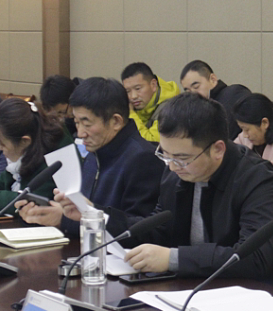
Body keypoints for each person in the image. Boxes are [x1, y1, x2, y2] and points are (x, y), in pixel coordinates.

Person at [108, 92, 273, 282]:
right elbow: (161, 231)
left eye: (182, 158)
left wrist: (173, 259)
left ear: (218, 149)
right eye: (165, 154)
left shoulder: (258, 179)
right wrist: (102, 219)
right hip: (196, 285)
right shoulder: (177, 172)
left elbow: (255, 259)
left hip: (266, 292)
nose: (172, 167)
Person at [17, 77, 164, 236]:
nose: (81, 133)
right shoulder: (96, 151)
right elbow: (86, 210)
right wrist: (59, 212)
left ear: (115, 121)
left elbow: (138, 231)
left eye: (87, 124)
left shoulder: (143, 159)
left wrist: (65, 221)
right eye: (76, 122)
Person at [179, 59, 250, 141]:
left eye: (196, 87)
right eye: (188, 91)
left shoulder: (234, 94)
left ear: (212, 79)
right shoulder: (197, 110)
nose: (193, 94)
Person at [121, 61, 180, 143]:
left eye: (138, 88)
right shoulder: (133, 105)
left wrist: (131, 114)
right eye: (128, 91)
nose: (133, 96)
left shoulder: (171, 108)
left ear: (153, 85)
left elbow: (151, 143)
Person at [39, 74, 80, 141]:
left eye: (63, 112)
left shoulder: (91, 105)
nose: (62, 117)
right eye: (58, 115)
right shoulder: (68, 117)